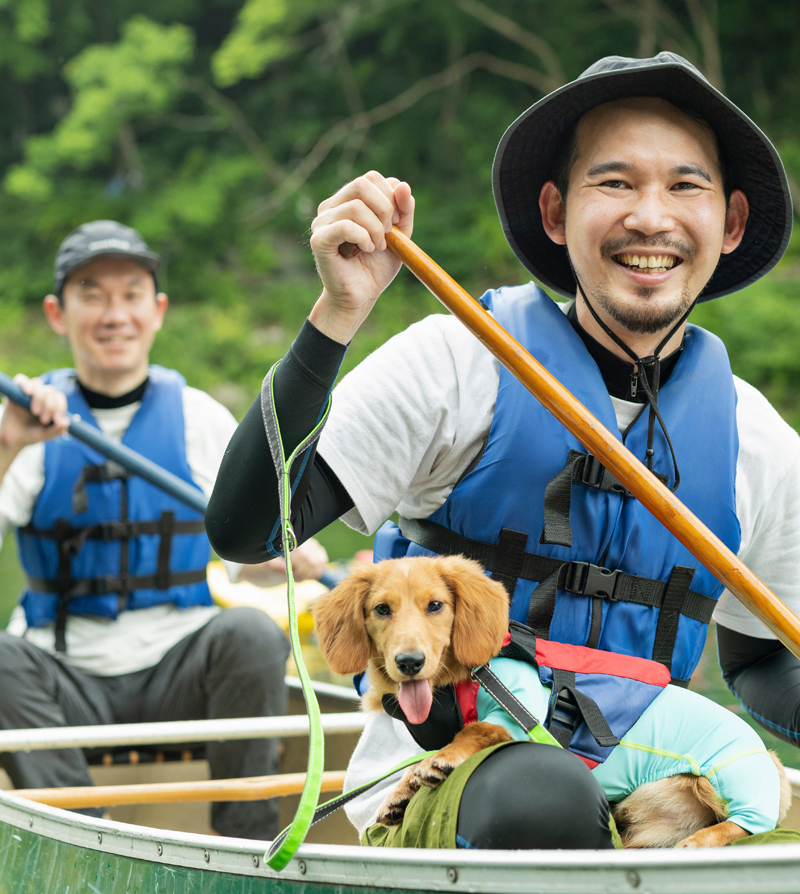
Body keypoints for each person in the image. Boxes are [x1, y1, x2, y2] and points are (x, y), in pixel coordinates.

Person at [206, 53, 799, 848]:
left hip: (651, 807)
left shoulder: (756, 441)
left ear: (727, 224)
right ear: (556, 214)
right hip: (448, 785)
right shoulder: (454, 364)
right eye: (615, 183)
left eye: (685, 186)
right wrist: (337, 315)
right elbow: (249, 529)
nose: (652, 218)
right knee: (543, 790)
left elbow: (762, 663)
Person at [0, 219, 328, 841]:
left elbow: (242, 559)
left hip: (177, 671)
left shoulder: (200, 418)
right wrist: (7, 443)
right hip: (64, 675)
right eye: (92, 295)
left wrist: (282, 553)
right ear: (56, 314)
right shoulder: (21, 420)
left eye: (130, 295)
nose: (113, 314)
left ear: (157, 312)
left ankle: (245, 848)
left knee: (252, 633)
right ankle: (85, 839)